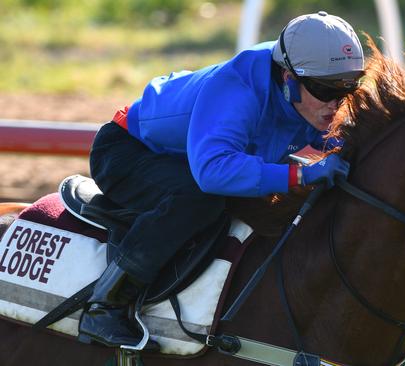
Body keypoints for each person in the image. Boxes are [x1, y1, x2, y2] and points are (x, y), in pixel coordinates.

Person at [77, 11, 365, 349]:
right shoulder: (240, 88)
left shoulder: (307, 86)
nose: (335, 102)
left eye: (347, 89)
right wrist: (300, 173)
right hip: (127, 152)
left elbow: (331, 141)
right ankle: (105, 306)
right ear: (288, 78)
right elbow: (213, 171)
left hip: (187, 157)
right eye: (324, 89)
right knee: (202, 199)